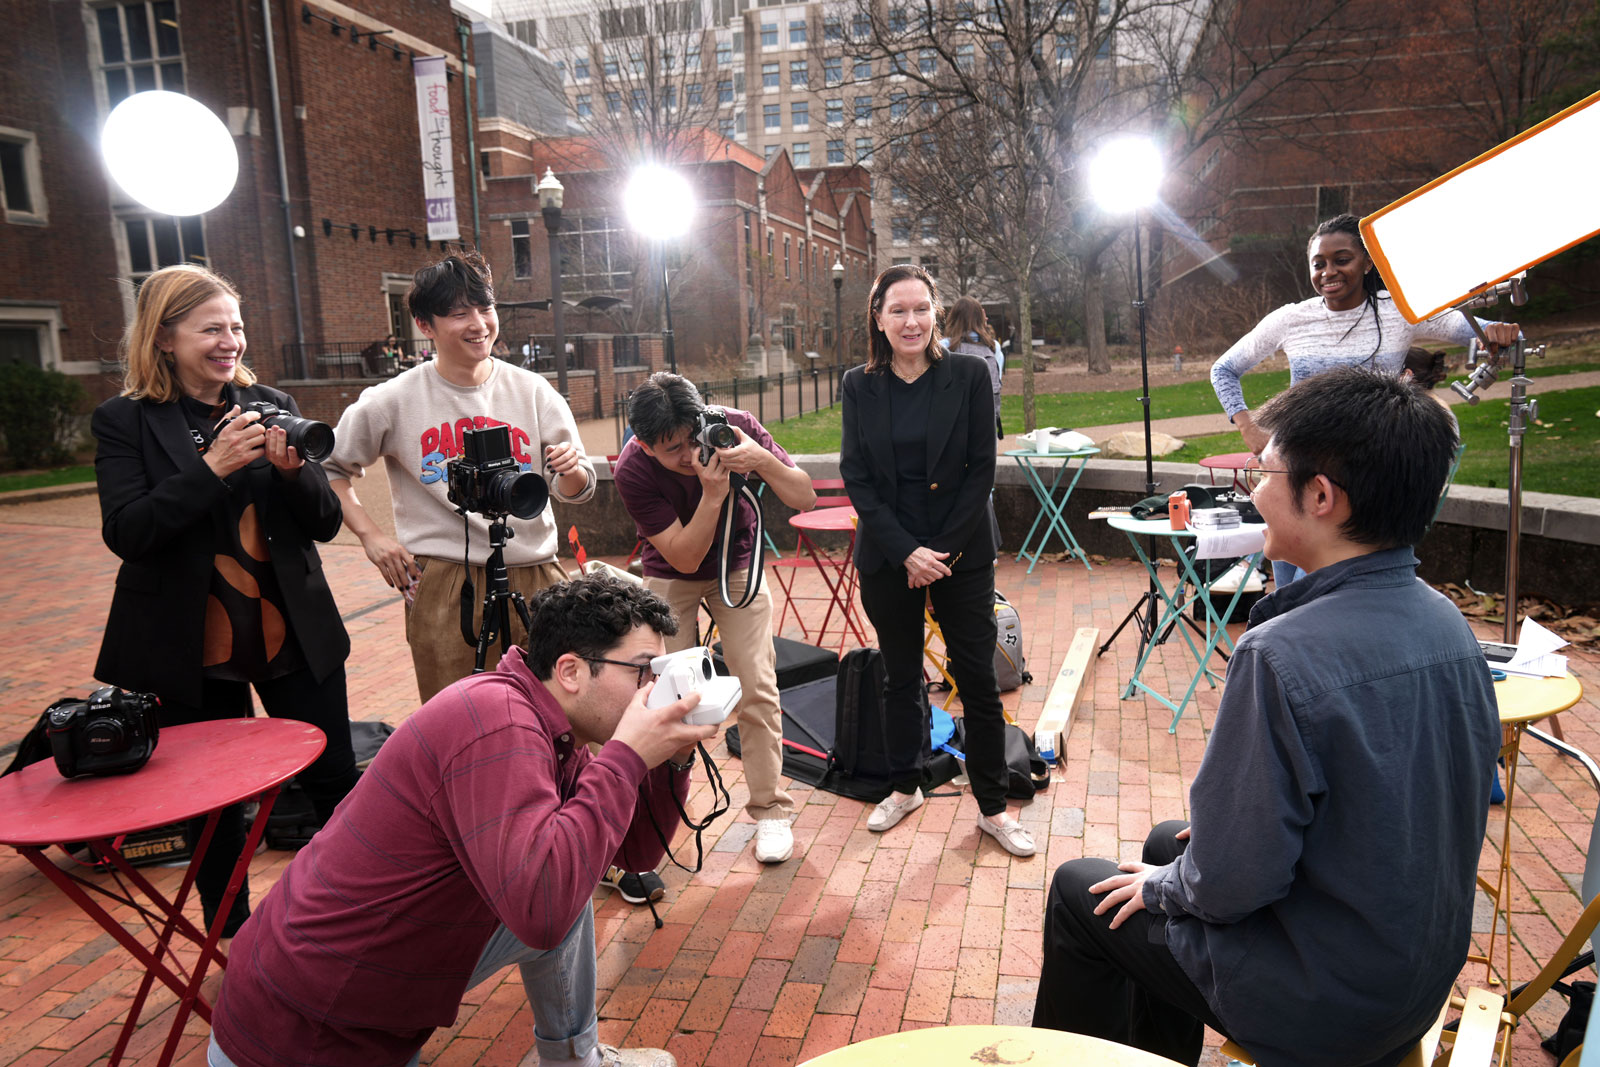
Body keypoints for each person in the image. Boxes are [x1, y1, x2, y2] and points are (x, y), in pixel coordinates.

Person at [1033, 367, 1501, 1067]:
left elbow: (1229, 884)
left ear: (1320, 496)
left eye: (1265, 469)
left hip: (1330, 1000)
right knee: (1167, 842)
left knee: (1083, 893)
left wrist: (1182, 877)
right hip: (1414, 974)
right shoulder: (1448, 620)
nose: (1253, 488)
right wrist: (1208, 851)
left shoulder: (1280, 654)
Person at [208, 575, 709, 1067]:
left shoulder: (550, 723)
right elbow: (542, 908)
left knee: (568, 876)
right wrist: (624, 758)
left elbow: (632, 854)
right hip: (307, 1030)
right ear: (572, 671)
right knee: (556, 886)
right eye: (643, 671)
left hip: (366, 986)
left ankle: (574, 1060)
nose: (654, 691)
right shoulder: (496, 721)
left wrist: (673, 758)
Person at [91, 264, 358, 937]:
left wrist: (296, 477)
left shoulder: (268, 399)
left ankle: (348, 916)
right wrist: (209, 470)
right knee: (215, 808)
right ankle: (232, 934)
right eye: (211, 328)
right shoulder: (124, 421)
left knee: (334, 782)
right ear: (164, 338)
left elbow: (323, 522)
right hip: (190, 646)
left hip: (291, 633)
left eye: (235, 327)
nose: (229, 341)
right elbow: (128, 532)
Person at [325, 252, 597, 702]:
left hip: (536, 572)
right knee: (459, 718)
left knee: (562, 712)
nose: (479, 324)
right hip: (447, 584)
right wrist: (372, 538)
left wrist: (570, 471)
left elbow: (577, 487)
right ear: (425, 325)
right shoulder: (392, 399)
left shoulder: (532, 390)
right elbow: (331, 466)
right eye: (458, 313)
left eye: (485, 308)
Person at [1209, 212, 1519, 588]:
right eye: (1318, 263)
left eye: (1342, 259)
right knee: (1293, 589)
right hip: (1297, 472)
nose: (1329, 272)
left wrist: (1494, 331)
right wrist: (1249, 428)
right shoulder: (1291, 320)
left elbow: (1472, 330)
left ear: (1368, 262)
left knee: (1360, 586)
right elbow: (1223, 369)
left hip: (1369, 476)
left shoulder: (1398, 311)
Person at [839, 264, 1033, 857]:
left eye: (921, 308)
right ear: (878, 318)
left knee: (975, 676)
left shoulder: (970, 375)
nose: (911, 321)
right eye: (897, 310)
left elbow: (981, 472)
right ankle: (905, 785)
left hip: (961, 549)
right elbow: (858, 476)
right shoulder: (858, 384)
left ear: (936, 313)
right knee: (900, 675)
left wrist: (938, 553)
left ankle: (994, 808)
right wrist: (906, 552)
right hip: (890, 554)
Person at [612, 372, 816, 867]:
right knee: (670, 698)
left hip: (739, 565)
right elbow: (682, 556)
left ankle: (770, 811)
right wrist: (711, 494)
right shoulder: (632, 469)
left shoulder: (734, 427)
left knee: (756, 684)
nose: (688, 455)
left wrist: (761, 459)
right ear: (642, 443)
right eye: (672, 449)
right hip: (672, 572)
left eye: (692, 437)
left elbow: (804, 497)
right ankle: (663, 812)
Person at [942, 296, 1004, 437]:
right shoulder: (994, 347)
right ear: (981, 318)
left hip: (953, 420)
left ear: (953, 317)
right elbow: (997, 381)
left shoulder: (945, 346)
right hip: (987, 417)